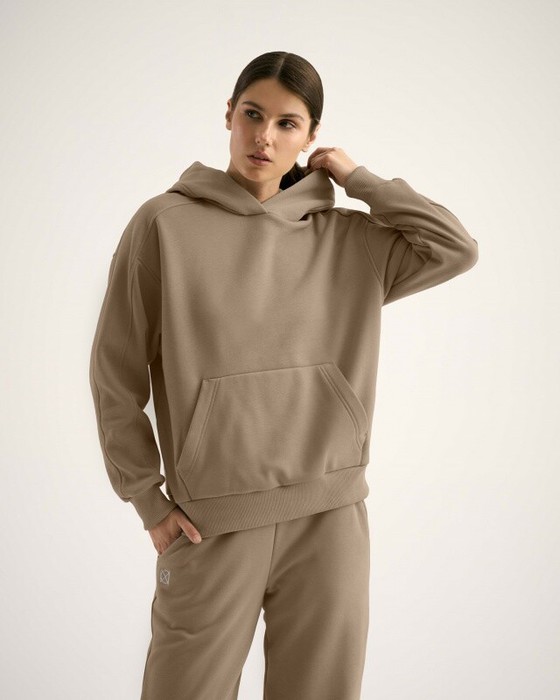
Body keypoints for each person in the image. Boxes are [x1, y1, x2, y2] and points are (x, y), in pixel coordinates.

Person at [89, 50, 479, 699]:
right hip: (211, 524)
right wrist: (146, 498)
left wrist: (359, 179)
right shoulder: (163, 225)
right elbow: (115, 371)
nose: (264, 137)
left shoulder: (350, 239)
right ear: (228, 115)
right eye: (252, 115)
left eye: (287, 123)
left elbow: (454, 248)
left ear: (312, 136)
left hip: (331, 518)